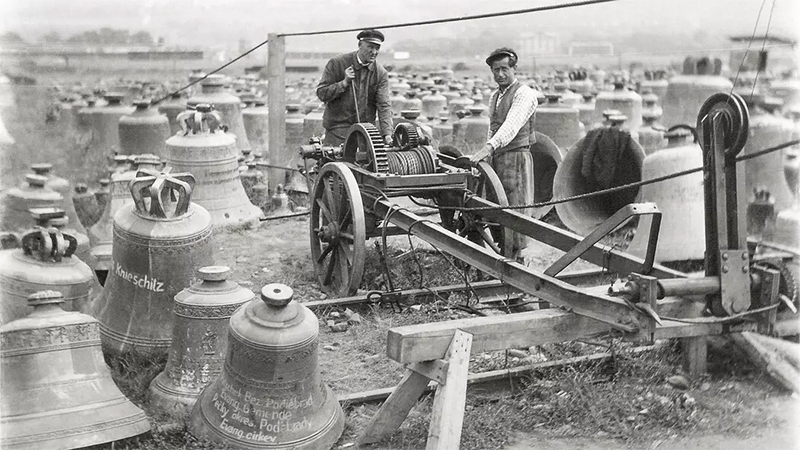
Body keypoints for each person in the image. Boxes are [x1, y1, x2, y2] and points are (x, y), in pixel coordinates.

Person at [470, 47, 538, 260]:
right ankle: (503, 252)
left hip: (516, 157)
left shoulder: (524, 94)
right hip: (498, 159)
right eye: (495, 70)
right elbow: (493, 127)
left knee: (515, 205)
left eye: (504, 69)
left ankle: (517, 258)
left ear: (513, 68)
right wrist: (487, 153)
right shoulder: (494, 97)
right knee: (496, 205)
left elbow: (511, 125)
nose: (499, 74)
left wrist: (488, 148)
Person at [316, 29, 393, 147]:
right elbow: (322, 93)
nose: (374, 52)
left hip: (365, 133)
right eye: (370, 47)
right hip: (338, 131)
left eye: (377, 48)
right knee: (335, 164)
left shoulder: (380, 73)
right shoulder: (337, 63)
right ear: (360, 45)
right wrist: (344, 83)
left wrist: (387, 133)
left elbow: (383, 105)